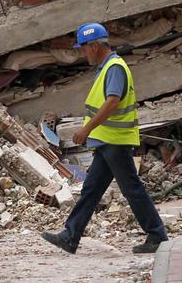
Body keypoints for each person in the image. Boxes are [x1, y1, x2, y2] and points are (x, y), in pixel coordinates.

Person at [42, 22, 168, 254]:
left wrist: (87, 129)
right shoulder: (107, 68)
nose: (82, 53)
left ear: (94, 46)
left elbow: (112, 101)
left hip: (115, 141)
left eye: (83, 48)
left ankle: (157, 235)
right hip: (107, 141)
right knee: (92, 190)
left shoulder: (114, 68)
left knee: (131, 189)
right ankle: (70, 236)